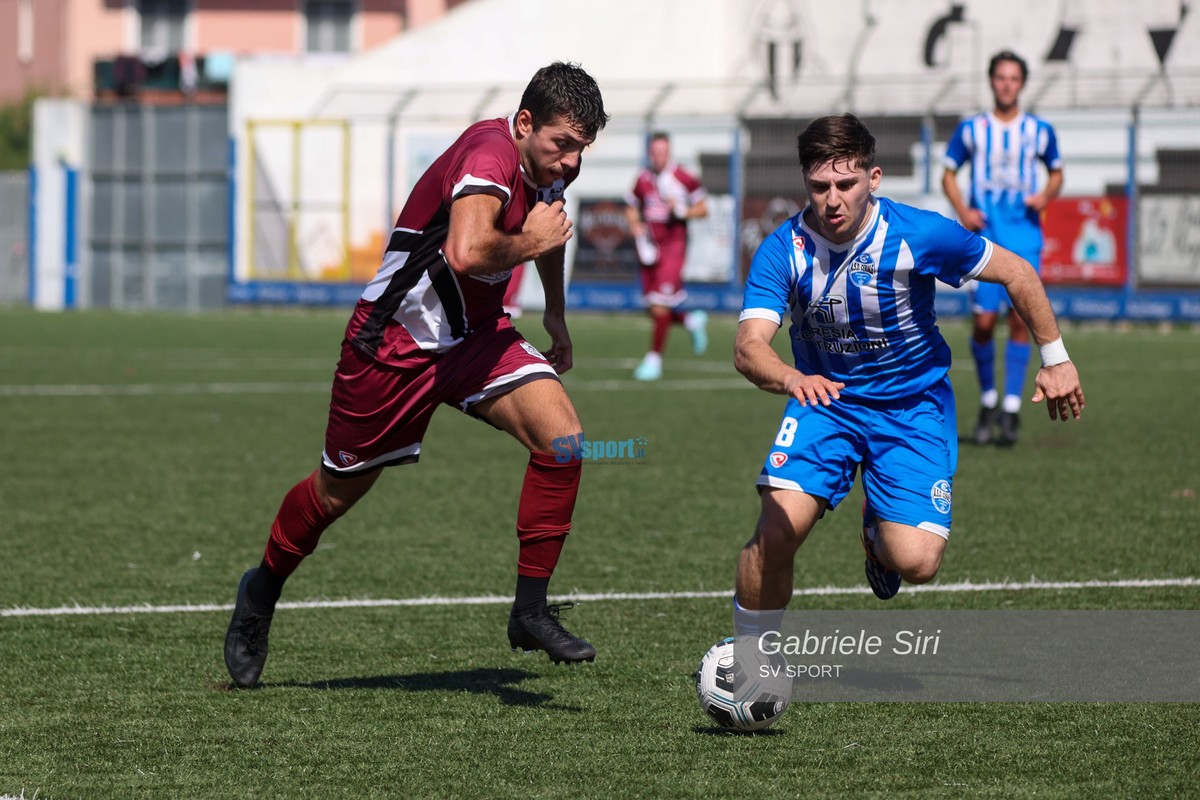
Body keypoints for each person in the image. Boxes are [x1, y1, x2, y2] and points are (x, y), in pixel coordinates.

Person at [224, 62, 609, 688]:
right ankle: (262, 588)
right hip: (393, 345)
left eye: (581, 148)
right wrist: (534, 243)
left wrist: (556, 314)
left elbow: (548, 229)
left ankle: (530, 611)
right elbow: (467, 250)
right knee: (334, 495)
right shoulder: (488, 155)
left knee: (562, 441)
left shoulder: (550, 167)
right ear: (523, 123)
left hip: (476, 337)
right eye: (562, 143)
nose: (569, 161)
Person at [731, 114, 1083, 633]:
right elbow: (748, 347)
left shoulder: (919, 233)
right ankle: (748, 659)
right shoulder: (783, 249)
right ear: (805, 182)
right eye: (820, 187)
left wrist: (1056, 359)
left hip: (911, 407)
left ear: (873, 179)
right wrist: (791, 379)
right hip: (825, 404)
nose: (833, 200)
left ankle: (876, 536)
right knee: (777, 531)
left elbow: (1017, 272)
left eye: (846, 184)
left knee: (916, 562)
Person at [942, 50, 1064, 446]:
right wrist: (963, 211)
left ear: (1022, 84)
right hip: (985, 238)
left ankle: (1010, 407)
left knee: (1019, 320)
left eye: (1013, 78)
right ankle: (988, 399)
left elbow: (1057, 172)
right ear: (992, 81)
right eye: (1001, 77)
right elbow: (948, 173)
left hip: (1024, 236)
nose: (1007, 84)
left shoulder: (1039, 130)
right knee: (982, 323)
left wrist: (1045, 196)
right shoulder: (972, 129)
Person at [624, 132, 710, 381]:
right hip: (649, 248)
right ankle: (691, 321)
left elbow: (703, 209)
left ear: (669, 153)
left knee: (660, 305)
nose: (658, 157)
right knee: (653, 308)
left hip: (673, 247)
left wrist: (682, 211)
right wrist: (635, 224)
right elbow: (631, 207)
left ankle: (654, 360)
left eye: (662, 153)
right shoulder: (643, 179)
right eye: (655, 153)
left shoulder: (683, 178)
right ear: (649, 154)